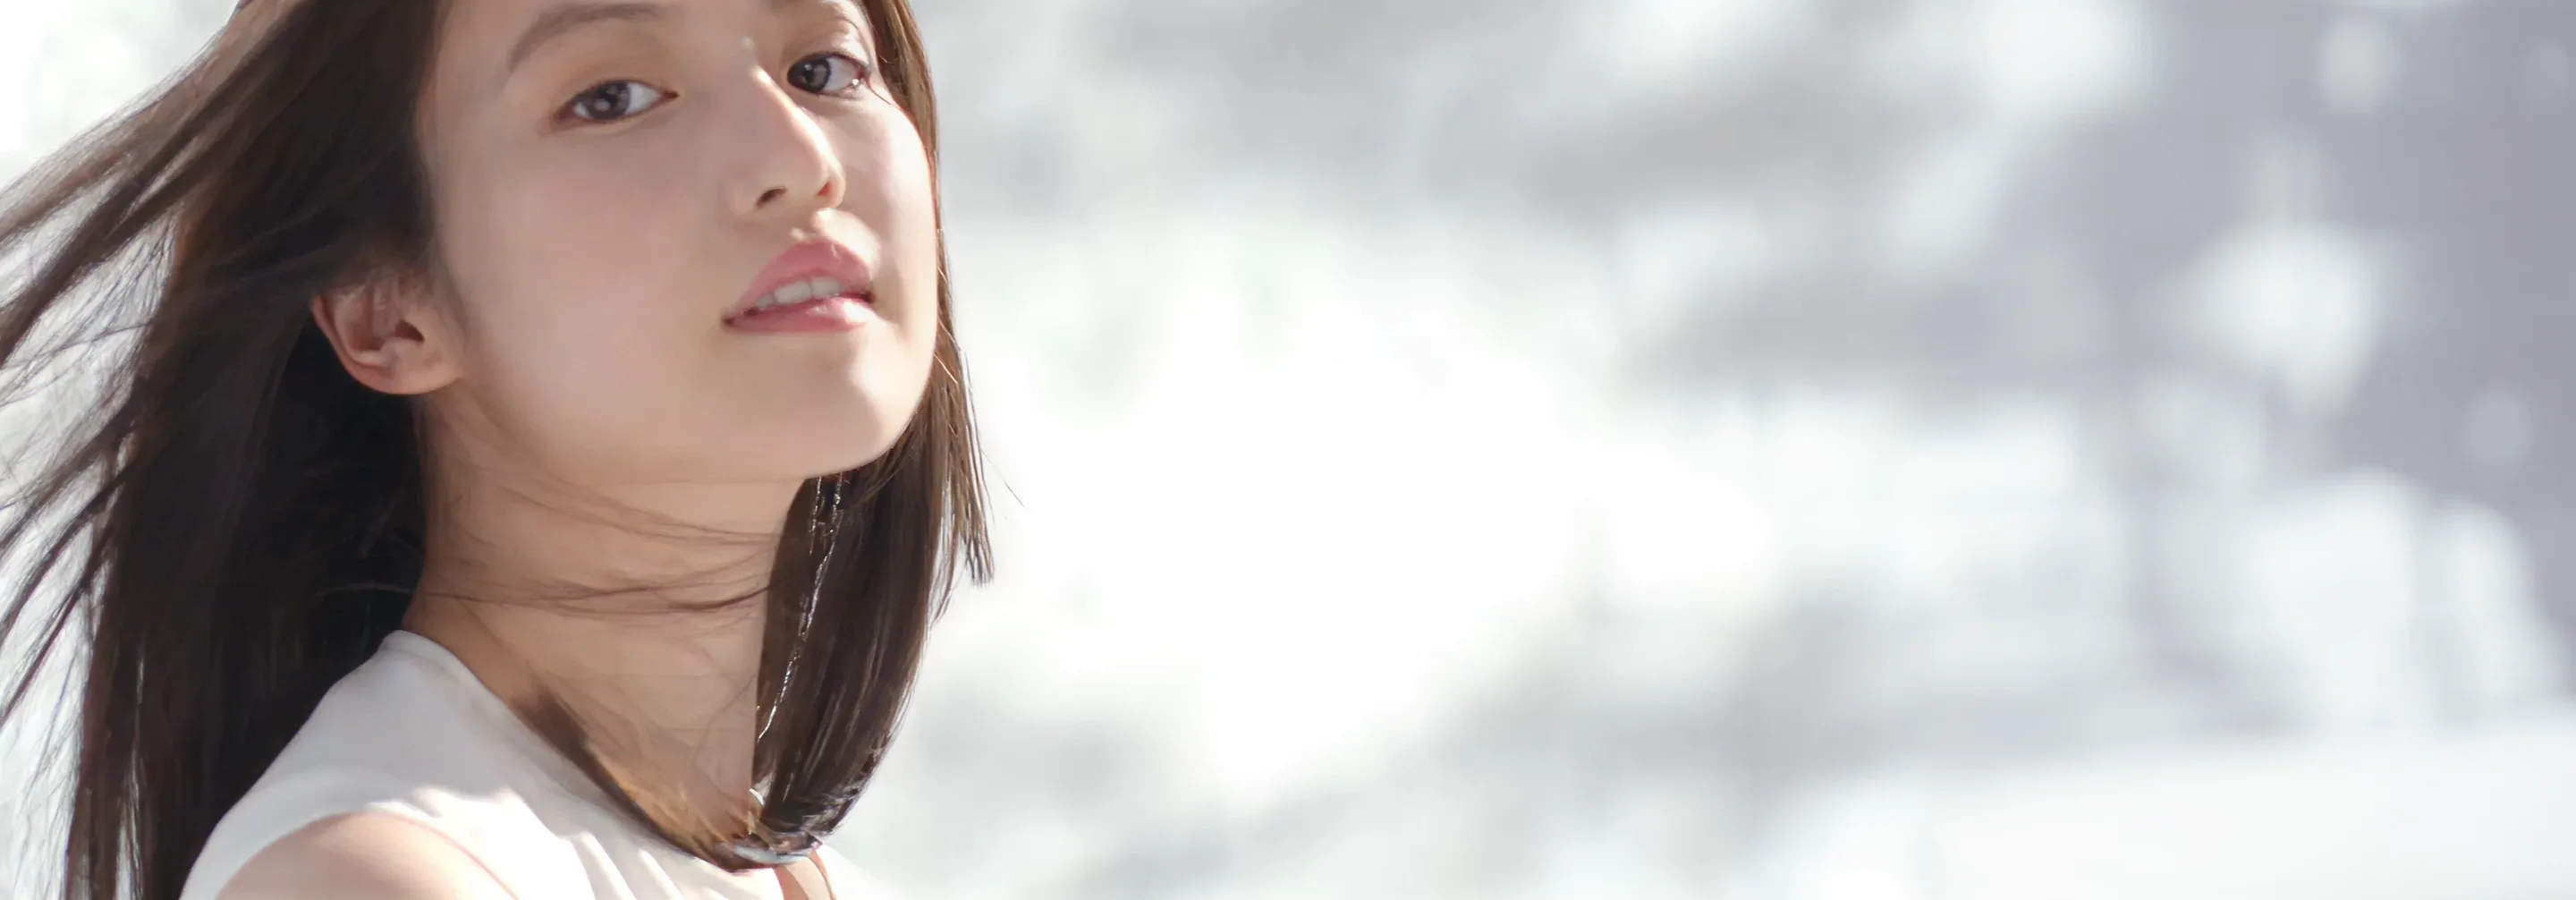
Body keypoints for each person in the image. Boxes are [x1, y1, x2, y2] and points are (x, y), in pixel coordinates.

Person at [0, 0, 988, 896]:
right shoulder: (368, 878)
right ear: (386, 308)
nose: (797, 156)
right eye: (615, 96)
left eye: (825, 68)